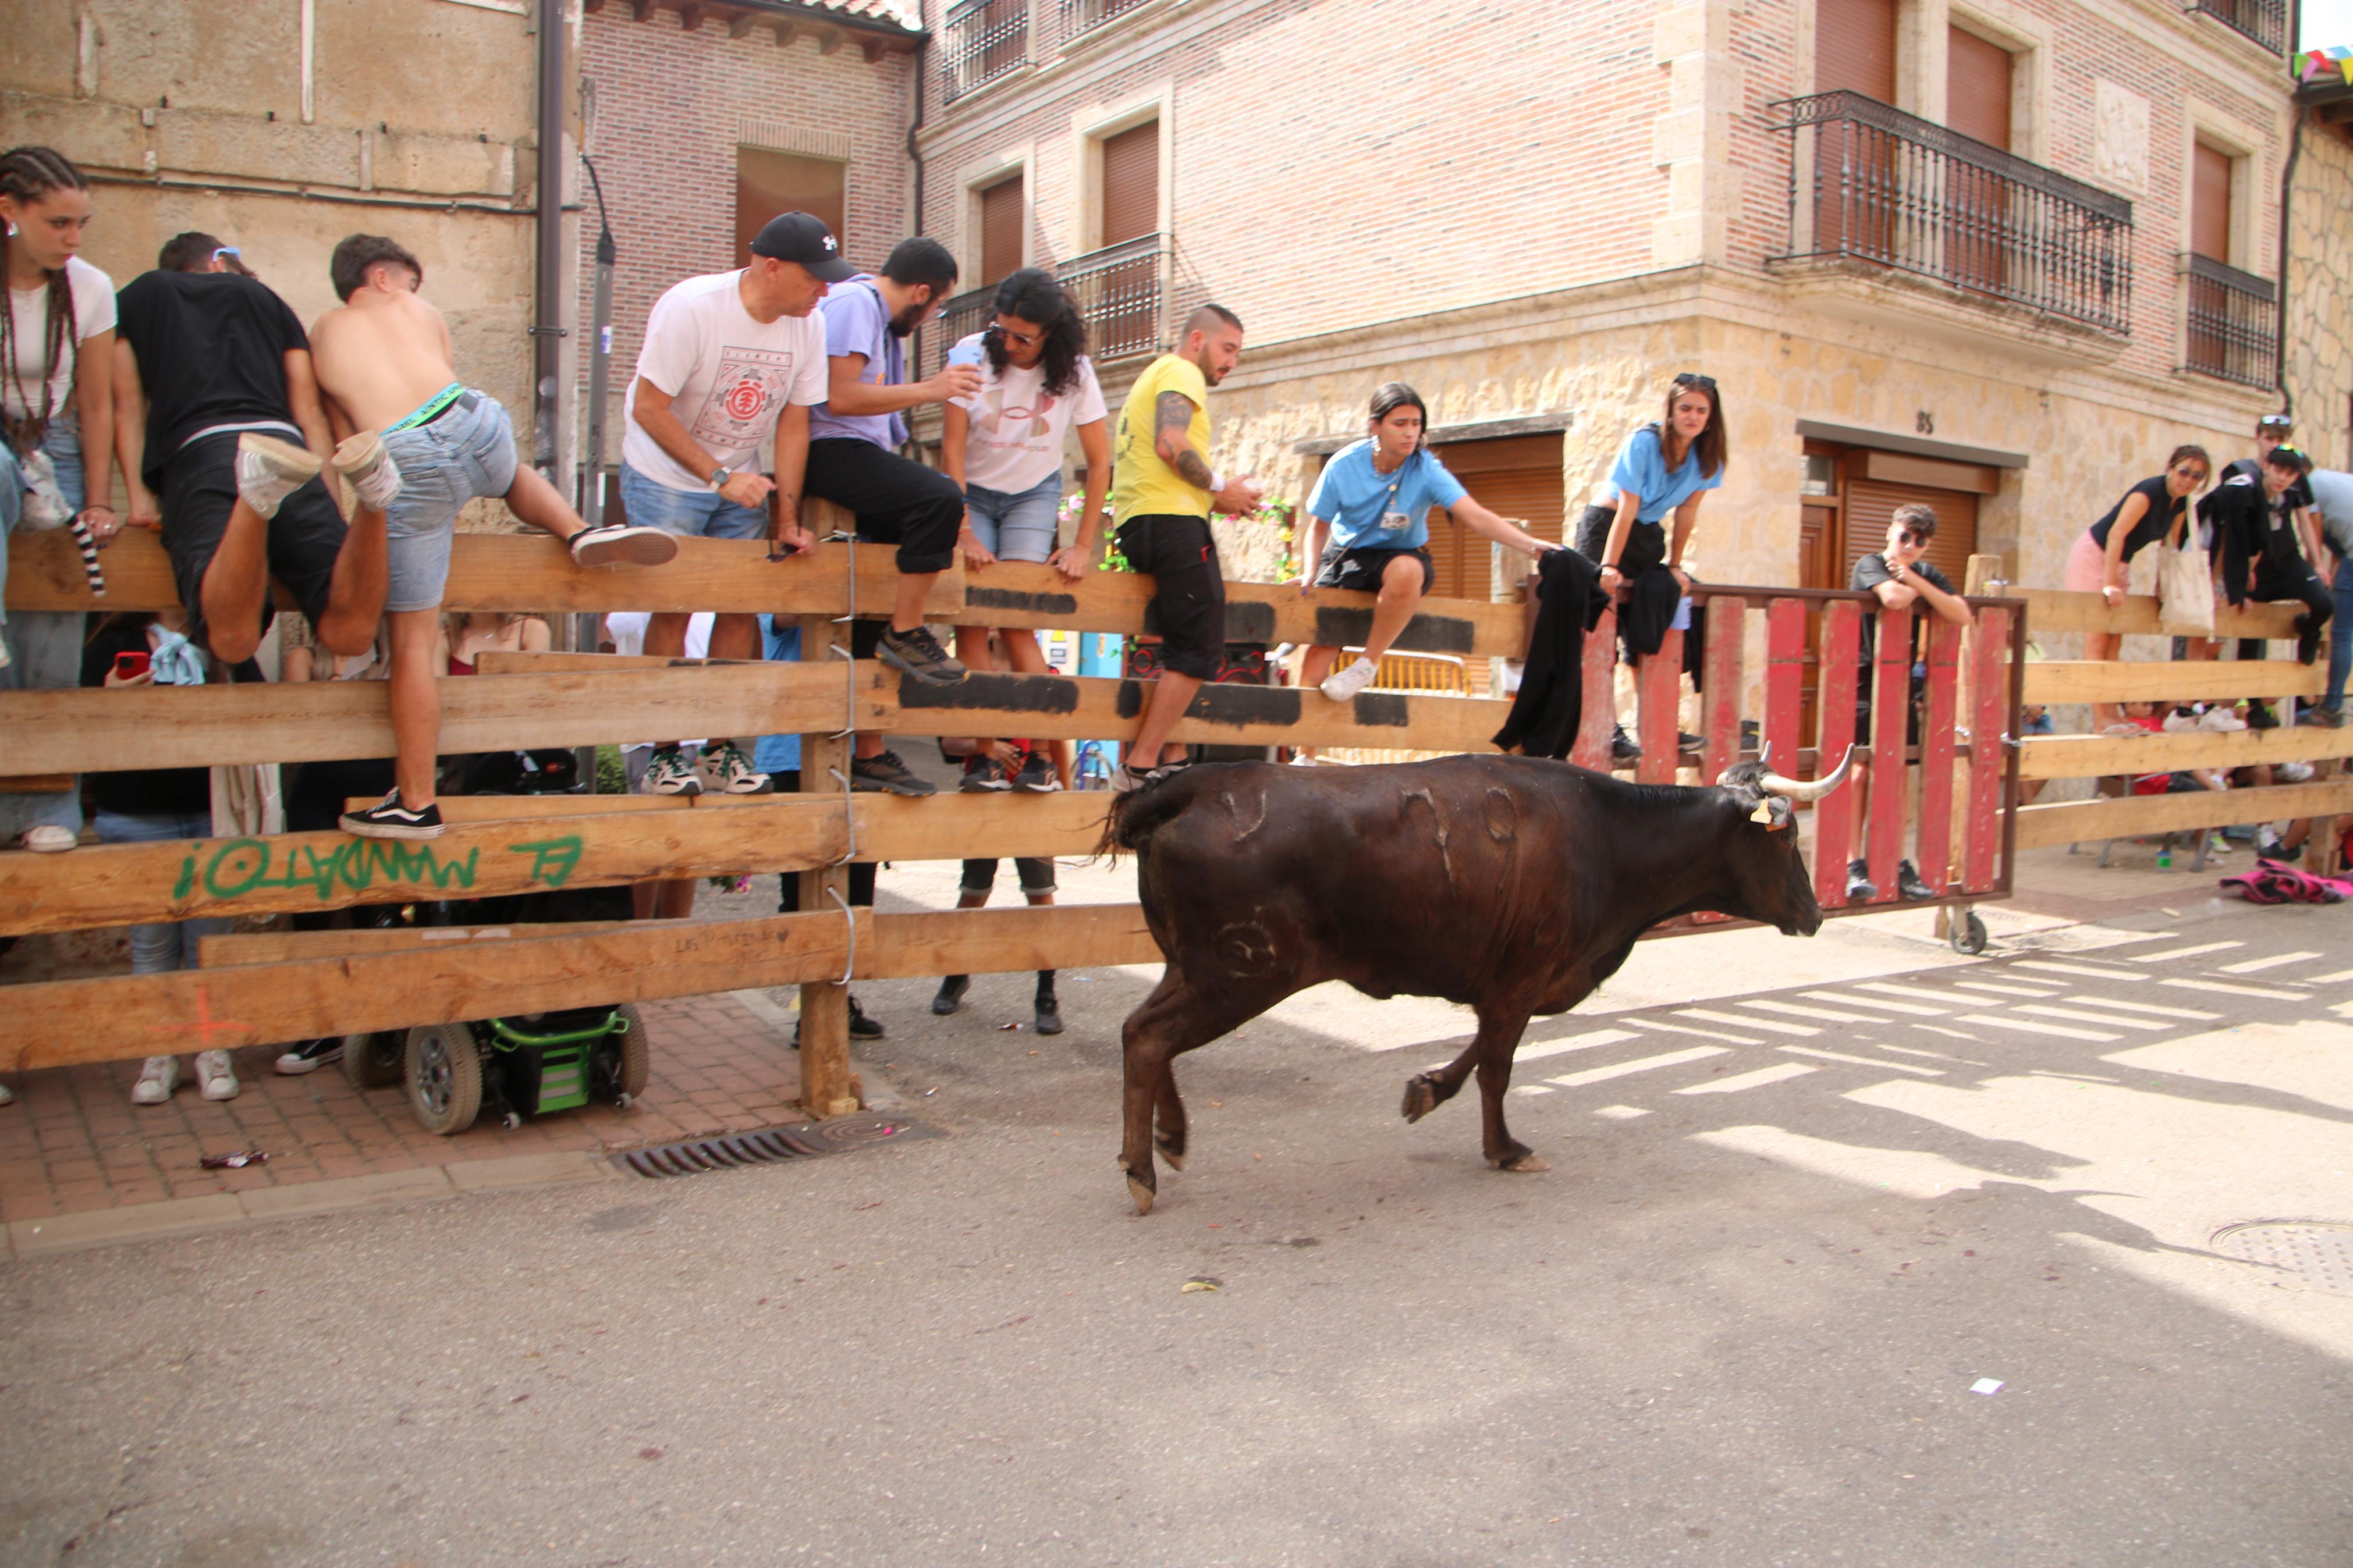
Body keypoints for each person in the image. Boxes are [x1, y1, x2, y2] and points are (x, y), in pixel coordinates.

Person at [307, 234, 675, 840]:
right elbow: (442, 383)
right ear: (380, 277)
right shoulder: (421, 315)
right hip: (476, 419)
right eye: (409, 278)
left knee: (412, 643)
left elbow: (351, 436)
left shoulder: (325, 331)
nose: (415, 291)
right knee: (508, 476)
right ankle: (577, 529)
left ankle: (417, 800)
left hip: (404, 450)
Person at [620, 211, 842, 795]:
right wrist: (718, 475)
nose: (824, 291)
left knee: (741, 607)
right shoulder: (690, 307)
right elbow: (648, 409)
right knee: (674, 607)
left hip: (739, 478)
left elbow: (795, 424)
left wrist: (787, 518)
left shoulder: (808, 325)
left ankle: (720, 749)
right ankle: (667, 751)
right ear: (771, 268)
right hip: (665, 474)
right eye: (813, 277)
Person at [112, 230, 397, 670]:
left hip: (205, 452)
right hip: (285, 446)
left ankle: (256, 498)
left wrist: (139, 500)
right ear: (219, 262)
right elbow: (307, 410)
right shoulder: (267, 300)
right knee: (351, 632)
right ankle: (373, 501)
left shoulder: (144, 294)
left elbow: (126, 403)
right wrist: (330, 501)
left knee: (232, 639)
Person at [803, 235, 979, 797]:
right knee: (940, 499)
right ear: (921, 293)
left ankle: (871, 751)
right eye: (934, 308)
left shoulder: (868, 314)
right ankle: (907, 631)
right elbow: (839, 399)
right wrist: (930, 390)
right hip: (832, 449)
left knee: (867, 609)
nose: (928, 319)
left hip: (858, 451)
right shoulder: (857, 305)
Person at [940, 266, 1109, 794]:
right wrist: (962, 529)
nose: (1008, 343)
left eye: (1022, 336)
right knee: (970, 622)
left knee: (1016, 622)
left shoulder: (1075, 372)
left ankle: (1036, 756)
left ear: (1050, 334)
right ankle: (985, 756)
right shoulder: (971, 354)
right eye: (1001, 330)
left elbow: (1099, 462)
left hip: (1032, 493)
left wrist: (1083, 545)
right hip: (971, 491)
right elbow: (949, 449)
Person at [1298, 382, 1556, 703]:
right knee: (1318, 652)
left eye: (1416, 424)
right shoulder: (1343, 465)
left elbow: (1475, 516)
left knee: (1407, 570)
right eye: (1400, 424)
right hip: (1347, 556)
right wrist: (1310, 572)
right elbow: (1318, 526)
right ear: (1375, 426)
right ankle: (1303, 753)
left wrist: (1531, 545)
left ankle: (1366, 665)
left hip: (1399, 555)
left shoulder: (1427, 469)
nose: (1409, 433)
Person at [2, 147, 116, 859]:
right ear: (8, 211)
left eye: (82, 223)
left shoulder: (90, 286)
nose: (73, 238)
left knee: (52, 639)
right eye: (59, 223)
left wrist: (101, 498)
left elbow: (99, 402)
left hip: (57, 447)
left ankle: (50, 806)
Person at [83, 609, 242, 1103]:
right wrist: (111, 701)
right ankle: (159, 1053)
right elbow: (75, 723)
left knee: (208, 942)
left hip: (208, 808)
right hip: (136, 811)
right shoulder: (112, 644)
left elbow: (256, 701)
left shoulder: (222, 634)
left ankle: (211, 1047)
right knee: (151, 942)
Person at [1107, 303, 1262, 791]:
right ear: (1198, 339)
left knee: (1180, 641)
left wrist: (1220, 497)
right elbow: (1171, 446)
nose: (1231, 362)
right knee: (1200, 646)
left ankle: (1171, 755)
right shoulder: (1179, 370)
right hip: (1170, 524)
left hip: (1146, 521)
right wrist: (1219, 483)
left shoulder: (1152, 374)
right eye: (1227, 348)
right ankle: (1139, 764)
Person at [1574, 372, 1729, 760]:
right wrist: (1608, 564)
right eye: (1684, 408)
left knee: (1648, 611)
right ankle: (1603, 724)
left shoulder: (1707, 458)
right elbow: (1626, 506)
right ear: (1671, 412)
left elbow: (1687, 510)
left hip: (1644, 531)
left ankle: (1655, 721)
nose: (1692, 416)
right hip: (1607, 525)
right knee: (1598, 626)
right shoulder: (1644, 443)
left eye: (1700, 410)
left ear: (1710, 417)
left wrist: (1675, 564)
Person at [753, 612, 887, 1042]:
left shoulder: (854, 613)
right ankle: (809, 1007)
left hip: (853, 757)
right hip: (789, 757)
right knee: (801, 892)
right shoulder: (785, 599)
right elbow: (785, 616)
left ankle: (839, 1000)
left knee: (858, 890)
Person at [1843, 504, 1975, 902]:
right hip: (1864, 684)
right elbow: (1893, 598)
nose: (1910, 546)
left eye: (1919, 541)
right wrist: (1916, 589)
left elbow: (1961, 614)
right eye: (1905, 537)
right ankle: (1853, 863)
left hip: (1899, 686)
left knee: (1896, 774)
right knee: (1861, 772)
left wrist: (1918, 581)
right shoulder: (1869, 563)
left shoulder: (1921, 570)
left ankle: (1896, 861)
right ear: (1890, 532)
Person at [2067, 444, 2209, 731]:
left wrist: (2163, 586)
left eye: (2197, 477)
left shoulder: (2180, 503)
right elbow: (2117, 533)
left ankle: (2113, 713)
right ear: (2170, 469)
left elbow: (2170, 546)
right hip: (2096, 554)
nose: (2188, 481)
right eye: (2184, 472)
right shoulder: (2149, 492)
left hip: (2119, 562)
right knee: (2096, 640)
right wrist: (2109, 584)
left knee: (2115, 642)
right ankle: (2099, 718)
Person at [2209, 443, 2330, 674]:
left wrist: (2319, 564)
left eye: (2289, 474)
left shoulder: (2292, 493)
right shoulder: (2247, 492)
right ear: (2267, 466)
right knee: (2244, 636)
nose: (2282, 479)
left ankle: (2309, 632)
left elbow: (2304, 521)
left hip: (2284, 563)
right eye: (2278, 471)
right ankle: (2243, 703)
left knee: (2324, 604)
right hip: (2249, 569)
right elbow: (2230, 540)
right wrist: (2224, 580)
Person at [2301, 465, 2353, 727]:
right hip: (2350, 553)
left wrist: (2311, 584)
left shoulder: (2310, 487)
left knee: (2343, 634)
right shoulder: (2333, 479)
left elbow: (2316, 538)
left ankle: (2332, 706)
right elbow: (2340, 541)